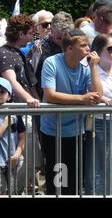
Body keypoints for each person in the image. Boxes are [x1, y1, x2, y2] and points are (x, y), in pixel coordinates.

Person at [40, 29, 103, 195]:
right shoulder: (51, 62)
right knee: (57, 181)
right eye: (83, 45)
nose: (88, 48)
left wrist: (94, 67)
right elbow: (50, 95)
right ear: (69, 48)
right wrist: (82, 99)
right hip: (53, 132)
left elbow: (98, 96)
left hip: (76, 132)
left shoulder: (87, 66)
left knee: (74, 182)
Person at [0, 77, 26, 195]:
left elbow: (22, 137)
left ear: (9, 96)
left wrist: (17, 154)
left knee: (12, 192)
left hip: (12, 159)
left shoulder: (15, 112)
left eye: (2, 91)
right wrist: (6, 123)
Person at [84, 34, 112, 195]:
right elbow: (94, 94)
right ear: (98, 52)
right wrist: (106, 100)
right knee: (96, 168)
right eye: (111, 49)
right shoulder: (91, 70)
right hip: (99, 124)